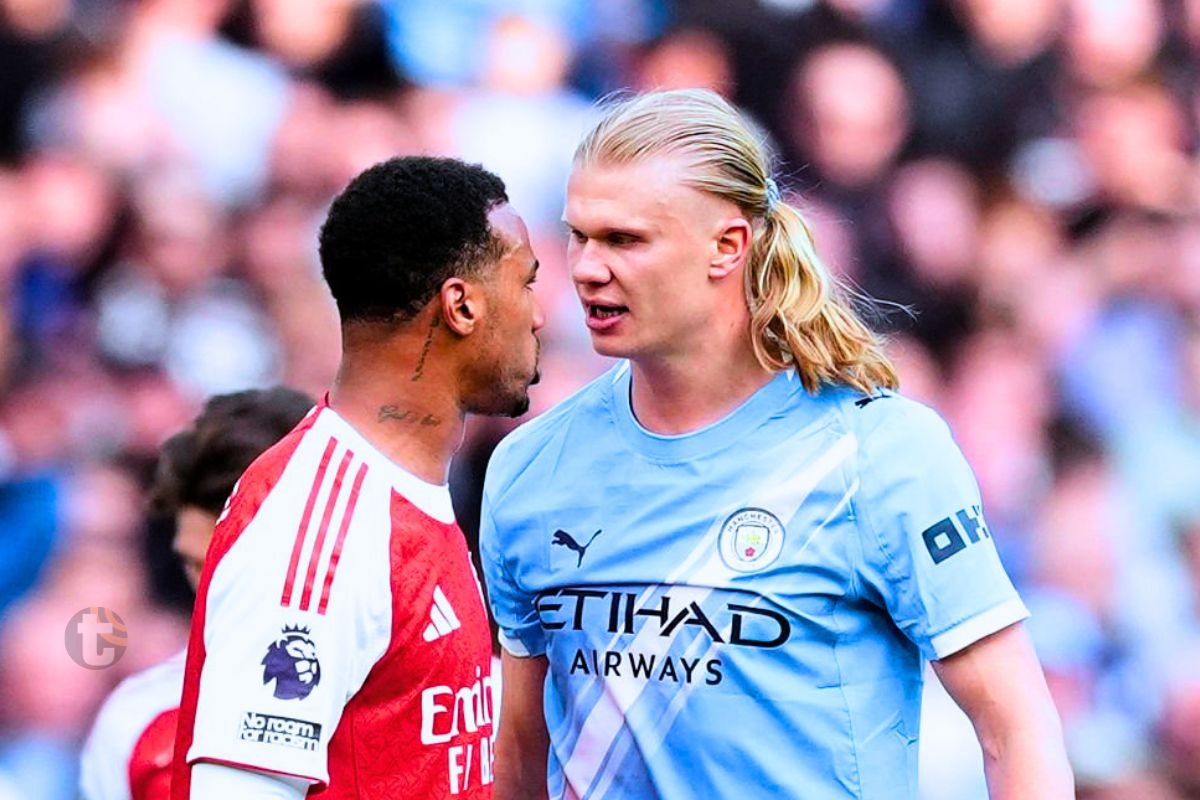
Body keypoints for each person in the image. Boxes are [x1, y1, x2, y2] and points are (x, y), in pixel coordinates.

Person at [480, 89, 1073, 799]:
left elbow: (1015, 729)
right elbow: (520, 752)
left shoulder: (877, 451)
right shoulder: (530, 464)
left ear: (727, 247)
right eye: (579, 236)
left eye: (625, 240)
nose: (586, 267)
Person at [170, 156, 545, 799]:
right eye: (526, 284)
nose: (539, 315)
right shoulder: (319, 530)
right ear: (461, 306)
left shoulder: (408, 494)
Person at [79, 386, 315, 800]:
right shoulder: (135, 720)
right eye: (195, 565)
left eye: (235, 572)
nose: (213, 596)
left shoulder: (411, 707)